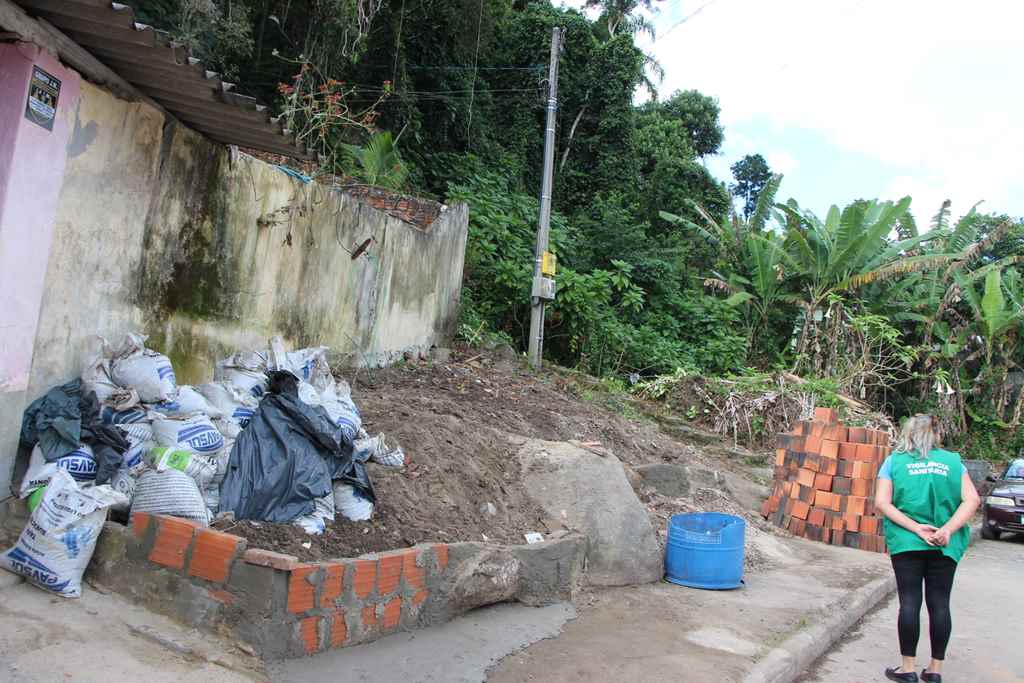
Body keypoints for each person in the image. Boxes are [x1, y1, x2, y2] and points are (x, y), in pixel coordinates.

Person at [874, 414, 980, 683]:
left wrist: (916, 528)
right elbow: (972, 500)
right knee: (940, 604)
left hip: (907, 543)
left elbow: (882, 503)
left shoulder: (894, 461)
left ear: (907, 434)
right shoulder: (953, 462)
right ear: (936, 435)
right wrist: (947, 530)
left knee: (909, 602)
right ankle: (935, 670)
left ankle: (907, 668)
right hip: (945, 545)